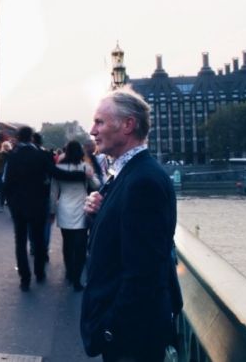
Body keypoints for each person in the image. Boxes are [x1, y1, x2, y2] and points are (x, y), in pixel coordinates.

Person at [81, 89, 182, 361]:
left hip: (131, 338)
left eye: (100, 122)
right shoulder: (128, 173)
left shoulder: (143, 182)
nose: (92, 130)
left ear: (128, 125)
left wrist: (110, 329)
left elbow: (143, 274)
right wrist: (98, 213)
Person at [3, 126, 88, 291]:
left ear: (20, 138)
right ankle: (39, 272)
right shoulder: (40, 155)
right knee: (38, 239)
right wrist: (81, 175)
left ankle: (25, 279)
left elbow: (6, 183)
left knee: (20, 241)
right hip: (37, 204)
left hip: (19, 206)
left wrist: (12, 203)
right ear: (32, 138)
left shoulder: (12, 157)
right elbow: (56, 173)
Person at [52, 140, 99, 291]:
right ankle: (77, 279)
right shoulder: (85, 167)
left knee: (67, 243)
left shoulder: (58, 168)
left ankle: (69, 271)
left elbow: (53, 193)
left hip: (64, 207)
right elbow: (97, 185)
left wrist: (52, 211)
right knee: (80, 245)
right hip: (80, 207)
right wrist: (91, 176)